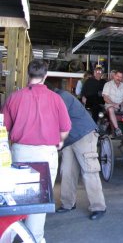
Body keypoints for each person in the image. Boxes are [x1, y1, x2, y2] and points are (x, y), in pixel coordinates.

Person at [1, 59, 71, 243]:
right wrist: (60, 142)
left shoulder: (14, 98)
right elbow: (65, 129)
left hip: (20, 152)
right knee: (39, 201)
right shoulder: (56, 98)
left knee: (15, 197)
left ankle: (10, 235)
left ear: (28, 74)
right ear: (46, 76)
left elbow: (3, 128)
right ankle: (34, 238)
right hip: (46, 154)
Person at [48, 86, 107, 220]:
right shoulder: (56, 97)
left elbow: (55, 119)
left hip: (83, 134)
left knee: (89, 171)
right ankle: (68, 203)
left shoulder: (62, 97)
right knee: (67, 171)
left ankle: (98, 207)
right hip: (69, 139)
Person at [102, 70, 123, 137]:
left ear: (122, 78)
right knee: (111, 109)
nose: (118, 78)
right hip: (110, 104)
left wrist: (121, 104)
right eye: (117, 76)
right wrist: (114, 104)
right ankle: (117, 129)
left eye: (120, 77)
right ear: (114, 76)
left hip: (121, 105)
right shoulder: (107, 84)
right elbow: (105, 98)